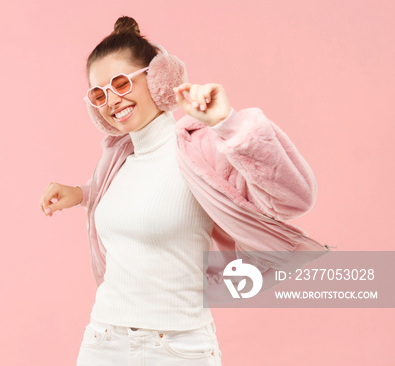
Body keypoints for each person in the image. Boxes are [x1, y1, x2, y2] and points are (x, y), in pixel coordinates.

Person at [39, 16, 330, 366]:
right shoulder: (116, 160)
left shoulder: (200, 150)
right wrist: (82, 194)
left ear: (158, 79)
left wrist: (228, 124)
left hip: (178, 348)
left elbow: (294, 197)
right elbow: (136, 200)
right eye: (99, 94)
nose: (111, 101)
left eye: (121, 83)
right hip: (104, 340)